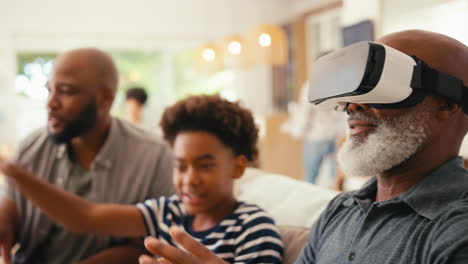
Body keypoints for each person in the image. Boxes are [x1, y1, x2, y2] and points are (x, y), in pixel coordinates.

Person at [109, 30, 467, 264]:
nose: (351, 106)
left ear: (448, 104)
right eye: (352, 94)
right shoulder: (340, 211)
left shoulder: (456, 229)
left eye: (379, 87)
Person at [0, 95, 284, 264]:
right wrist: (14, 173)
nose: (190, 179)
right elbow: (86, 216)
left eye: (205, 166)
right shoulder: (166, 212)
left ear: (237, 166)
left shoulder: (253, 226)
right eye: (180, 166)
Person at [0, 48, 175, 264]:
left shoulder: (154, 156)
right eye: (49, 90)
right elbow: (11, 205)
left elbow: (152, 244)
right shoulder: (30, 147)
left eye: (66, 91)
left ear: (105, 99)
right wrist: (6, 221)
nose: (51, 103)